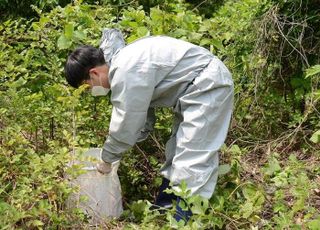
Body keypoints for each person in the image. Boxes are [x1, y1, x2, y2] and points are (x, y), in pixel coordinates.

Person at [65, 29, 234, 222]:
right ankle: (163, 211)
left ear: (93, 73)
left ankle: (183, 221)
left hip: (207, 85)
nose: (91, 90)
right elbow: (141, 119)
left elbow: (127, 122)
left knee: (192, 158)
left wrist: (107, 158)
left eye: (88, 86)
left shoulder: (124, 69)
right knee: (177, 150)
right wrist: (128, 140)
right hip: (193, 90)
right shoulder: (124, 63)